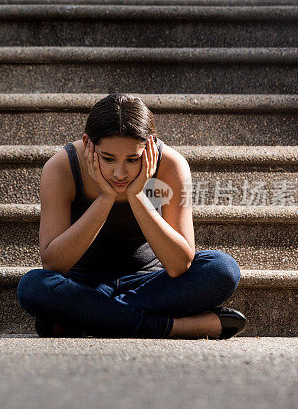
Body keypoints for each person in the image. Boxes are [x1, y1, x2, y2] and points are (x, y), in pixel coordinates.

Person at [16, 94, 246, 339]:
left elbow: (180, 264)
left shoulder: (170, 165)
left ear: (150, 146)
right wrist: (105, 198)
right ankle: (179, 327)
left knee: (223, 269)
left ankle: (88, 318)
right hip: (83, 284)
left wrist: (137, 195)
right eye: (108, 159)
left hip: (151, 285)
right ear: (87, 143)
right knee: (33, 286)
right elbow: (54, 264)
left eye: (133, 159)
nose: (120, 173)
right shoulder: (62, 167)